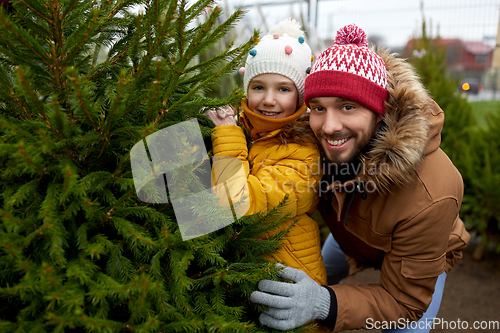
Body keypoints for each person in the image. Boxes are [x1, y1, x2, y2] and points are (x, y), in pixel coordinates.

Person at [249, 24, 470, 333]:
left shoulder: (432, 194)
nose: (328, 126)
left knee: (407, 327)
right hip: (351, 235)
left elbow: (404, 302)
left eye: (348, 107)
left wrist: (323, 303)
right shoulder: (309, 142)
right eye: (318, 108)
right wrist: (194, 134)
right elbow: (261, 125)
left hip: (418, 248)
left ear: (379, 111)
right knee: (317, 277)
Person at [206, 19, 329, 332]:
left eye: (283, 89)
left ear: (301, 98)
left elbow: (239, 204)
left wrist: (227, 136)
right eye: (259, 87)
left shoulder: (303, 152)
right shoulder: (248, 132)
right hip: (248, 281)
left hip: (286, 291)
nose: (269, 99)